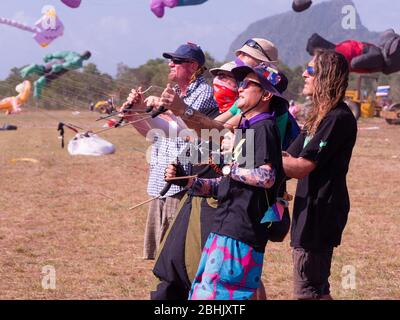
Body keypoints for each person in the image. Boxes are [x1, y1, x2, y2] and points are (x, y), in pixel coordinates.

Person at [165, 64, 286, 300]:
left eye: (249, 84)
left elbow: (266, 177)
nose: (241, 88)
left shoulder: (264, 128)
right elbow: (228, 184)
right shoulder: (248, 128)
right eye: (241, 82)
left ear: (266, 94)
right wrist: (190, 182)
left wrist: (228, 167)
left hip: (240, 231)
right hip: (225, 227)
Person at [123, 42, 217, 260]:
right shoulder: (172, 92)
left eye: (176, 61)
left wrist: (171, 111)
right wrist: (135, 113)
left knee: (176, 256)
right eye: (171, 60)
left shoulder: (204, 93)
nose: (170, 64)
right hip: (159, 181)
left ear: (193, 66)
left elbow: (186, 133)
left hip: (180, 181)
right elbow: (156, 135)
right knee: (160, 258)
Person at [282, 49, 357, 300]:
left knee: (308, 289)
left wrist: (262, 158)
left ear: (326, 76)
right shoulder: (318, 117)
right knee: (316, 288)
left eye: (311, 70)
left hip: (321, 211)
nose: (304, 74)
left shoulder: (338, 118)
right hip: (308, 209)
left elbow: (301, 166)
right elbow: (287, 157)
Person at [20, 50, 91, 98]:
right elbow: (71, 64)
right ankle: (37, 99)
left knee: (41, 69)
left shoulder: (72, 53)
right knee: (41, 82)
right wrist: (61, 66)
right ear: (87, 58)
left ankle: (34, 67)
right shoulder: (79, 62)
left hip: (54, 63)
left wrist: (51, 55)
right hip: (59, 69)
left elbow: (61, 53)